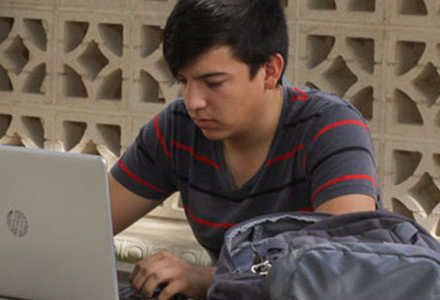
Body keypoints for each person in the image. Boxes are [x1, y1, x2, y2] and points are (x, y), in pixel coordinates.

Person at [107, 0, 382, 299]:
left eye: (212, 83)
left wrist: (208, 279)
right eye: (183, 82)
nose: (193, 102)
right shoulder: (178, 128)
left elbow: (341, 263)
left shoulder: (330, 128)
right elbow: (87, 224)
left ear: (270, 70)